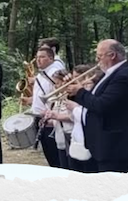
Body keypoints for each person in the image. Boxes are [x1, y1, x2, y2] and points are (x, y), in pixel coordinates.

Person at [65, 39, 128, 172]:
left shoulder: (123, 75)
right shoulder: (108, 74)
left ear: (112, 55)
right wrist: (73, 92)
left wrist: (80, 92)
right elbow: (92, 100)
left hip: (113, 147)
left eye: (100, 56)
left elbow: (102, 105)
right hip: (100, 145)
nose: (97, 60)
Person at [26, 46, 63, 168]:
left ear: (51, 58)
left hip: (49, 119)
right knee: (48, 153)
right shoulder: (42, 73)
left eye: (42, 57)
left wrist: (51, 113)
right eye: (37, 57)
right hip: (40, 117)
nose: (38, 60)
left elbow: (59, 95)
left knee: (54, 155)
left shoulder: (54, 73)